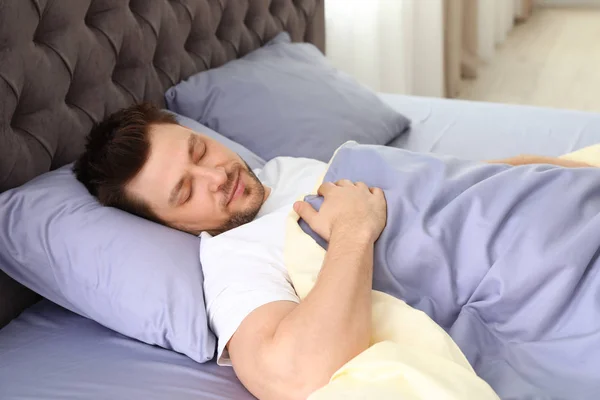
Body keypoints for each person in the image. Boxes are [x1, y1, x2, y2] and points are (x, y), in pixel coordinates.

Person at [74, 103, 593, 400]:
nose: (217, 175)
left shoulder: (280, 170)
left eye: (200, 150)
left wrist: (529, 168)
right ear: (170, 226)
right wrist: (352, 232)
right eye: (185, 193)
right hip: (546, 280)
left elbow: (441, 189)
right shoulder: (232, 260)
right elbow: (290, 371)